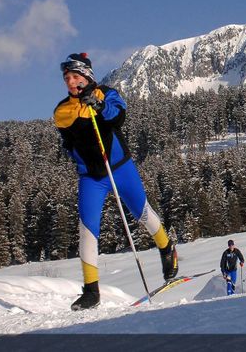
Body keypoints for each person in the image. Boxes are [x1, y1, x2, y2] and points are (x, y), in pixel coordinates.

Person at [53, 52, 178, 310]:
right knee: (87, 230)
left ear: (87, 76)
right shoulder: (62, 111)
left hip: (120, 168)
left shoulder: (106, 93)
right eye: (67, 78)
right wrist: (77, 159)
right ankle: (91, 291)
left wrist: (98, 106)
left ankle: (166, 249)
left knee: (143, 213)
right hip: (91, 177)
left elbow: (119, 116)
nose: (70, 82)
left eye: (75, 76)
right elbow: (67, 142)